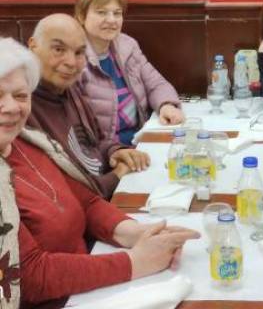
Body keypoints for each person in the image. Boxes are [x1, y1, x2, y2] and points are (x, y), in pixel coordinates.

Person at [0, 38, 200, 308]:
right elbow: (29, 277)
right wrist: (134, 262)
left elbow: (86, 201)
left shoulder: (26, 141)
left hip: (86, 287)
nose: (12, 107)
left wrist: (135, 233)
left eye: (21, 95)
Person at [28, 14, 150, 199]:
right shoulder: (22, 108)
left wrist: (115, 152)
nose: (71, 62)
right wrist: (117, 175)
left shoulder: (70, 88)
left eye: (79, 53)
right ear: (33, 46)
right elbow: (64, 193)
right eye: (59, 49)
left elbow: (95, 140)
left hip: (103, 193)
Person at [74, 0, 184, 146]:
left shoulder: (127, 45)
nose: (111, 20)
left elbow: (156, 84)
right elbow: (76, 128)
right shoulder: (73, 57)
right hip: (104, 154)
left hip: (141, 140)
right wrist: (115, 153)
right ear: (82, 16)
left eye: (117, 13)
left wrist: (166, 105)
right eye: (101, 12)